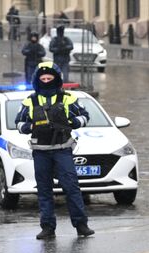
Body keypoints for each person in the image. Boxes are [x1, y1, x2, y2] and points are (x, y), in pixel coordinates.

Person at [15, 62, 95, 240]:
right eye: (42, 78)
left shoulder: (68, 98)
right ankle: (48, 227)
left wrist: (76, 122)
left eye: (49, 78)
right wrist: (27, 126)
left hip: (62, 150)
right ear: (37, 80)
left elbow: (85, 116)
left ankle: (81, 225)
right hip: (41, 152)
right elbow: (18, 122)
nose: (46, 81)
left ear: (56, 79)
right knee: (44, 190)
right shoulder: (30, 100)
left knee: (71, 187)